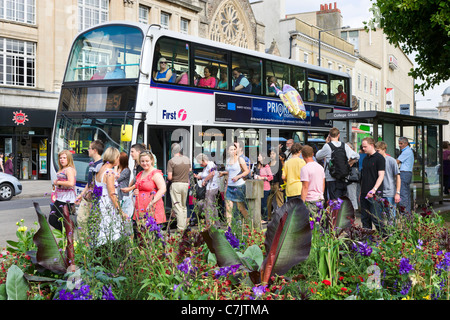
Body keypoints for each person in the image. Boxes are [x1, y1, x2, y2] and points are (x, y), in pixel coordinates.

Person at [92, 147, 129, 245]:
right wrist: (121, 212)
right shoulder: (110, 173)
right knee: (112, 232)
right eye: (118, 157)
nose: (119, 160)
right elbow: (112, 195)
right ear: (115, 158)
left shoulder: (100, 170)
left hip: (101, 203)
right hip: (109, 204)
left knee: (103, 230)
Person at [315, 127, 359, 202]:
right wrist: (349, 163)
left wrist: (326, 143)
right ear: (338, 135)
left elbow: (317, 156)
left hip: (331, 177)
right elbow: (357, 156)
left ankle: (335, 213)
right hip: (343, 177)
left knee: (334, 201)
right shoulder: (344, 145)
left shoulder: (327, 146)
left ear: (329, 136)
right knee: (341, 200)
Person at [75, 140, 104, 229]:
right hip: (88, 196)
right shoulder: (92, 164)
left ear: (95, 150)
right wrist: (82, 194)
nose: (88, 150)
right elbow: (89, 183)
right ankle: (84, 241)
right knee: (81, 220)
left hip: (94, 198)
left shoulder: (101, 165)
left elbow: (98, 183)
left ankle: (86, 241)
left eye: (89, 148)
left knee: (89, 221)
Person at [360, 137, 386, 236]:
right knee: (365, 218)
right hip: (364, 192)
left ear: (371, 145)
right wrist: (361, 193)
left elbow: (381, 175)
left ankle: (386, 239)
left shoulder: (379, 158)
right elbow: (364, 177)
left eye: (365, 146)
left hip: (374, 193)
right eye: (362, 147)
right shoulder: (365, 159)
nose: (363, 149)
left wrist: (374, 189)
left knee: (376, 218)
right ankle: (367, 240)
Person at [219, 143, 250, 226]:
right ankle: (229, 227)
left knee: (241, 208)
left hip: (239, 186)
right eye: (231, 149)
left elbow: (246, 171)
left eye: (234, 149)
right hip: (229, 186)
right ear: (228, 151)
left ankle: (250, 223)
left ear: (236, 150)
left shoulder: (240, 160)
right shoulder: (228, 160)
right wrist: (226, 186)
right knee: (228, 208)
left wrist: (238, 177)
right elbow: (229, 173)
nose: (232, 151)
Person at [49, 150, 77, 232]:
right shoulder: (62, 169)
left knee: (58, 220)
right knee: (53, 219)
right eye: (60, 158)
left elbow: (71, 183)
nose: (62, 160)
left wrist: (58, 182)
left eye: (64, 158)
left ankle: (68, 235)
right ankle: (66, 235)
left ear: (69, 159)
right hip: (59, 198)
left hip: (66, 199)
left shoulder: (69, 169)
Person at [167, 143, 191, 231]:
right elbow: (190, 171)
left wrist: (175, 176)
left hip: (176, 184)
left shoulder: (171, 161)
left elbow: (169, 177)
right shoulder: (187, 159)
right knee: (184, 206)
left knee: (178, 207)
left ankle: (180, 229)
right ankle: (184, 226)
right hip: (185, 184)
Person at [375, 141, 401, 220]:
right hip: (379, 192)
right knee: (379, 217)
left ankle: (392, 232)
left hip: (389, 192)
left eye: (378, 151)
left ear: (384, 150)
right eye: (376, 151)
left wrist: (397, 192)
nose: (377, 153)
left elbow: (398, 177)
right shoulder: (375, 160)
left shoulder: (391, 161)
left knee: (391, 216)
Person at [194, 153, 219, 226]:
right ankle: (216, 224)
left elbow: (212, 174)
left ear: (203, 160)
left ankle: (210, 224)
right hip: (210, 187)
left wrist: (204, 181)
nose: (200, 165)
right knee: (213, 206)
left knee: (208, 206)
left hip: (212, 187)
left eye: (200, 163)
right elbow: (205, 175)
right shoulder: (206, 167)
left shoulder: (210, 164)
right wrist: (199, 177)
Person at [300, 145, 325, 215]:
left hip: (310, 200)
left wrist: (302, 203)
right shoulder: (320, 167)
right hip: (320, 198)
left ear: (302, 155)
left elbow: (305, 187)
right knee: (318, 222)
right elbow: (323, 184)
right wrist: (321, 194)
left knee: (310, 223)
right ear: (312, 154)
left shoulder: (305, 169)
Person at [253, 153, 273, 223]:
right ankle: (261, 217)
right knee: (259, 203)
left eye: (259, 156)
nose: (258, 157)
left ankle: (265, 219)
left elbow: (271, 177)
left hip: (265, 187)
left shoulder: (266, 166)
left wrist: (262, 178)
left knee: (263, 203)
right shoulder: (258, 166)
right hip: (258, 186)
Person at [396, 137, 414, 213]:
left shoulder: (406, 151)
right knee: (406, 193)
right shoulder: (407, 151)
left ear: (406, 143)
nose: (399, 145)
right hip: (407, 173)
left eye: (401, 143)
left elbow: (397, 161)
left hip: (404, 173)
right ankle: (407, 213)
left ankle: (404, 213)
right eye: (399, 143)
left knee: (403, 194)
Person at [267, 148, 284, 220]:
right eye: (271, 154)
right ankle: (268, 217)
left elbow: (280, 174)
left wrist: (281, 185)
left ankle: (282, 217)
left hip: (277, 184)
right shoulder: (268, 163)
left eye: (273, 154)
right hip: (270, 184)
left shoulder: (278, 162)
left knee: (280, 201)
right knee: (268, 201)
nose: (272, 155)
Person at [346, 142, 360, 213]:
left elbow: (351, 163)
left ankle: (352, 215)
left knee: (352, 197)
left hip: (352, 180)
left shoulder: (356, 157)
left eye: (349, 147)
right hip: (344, 180)